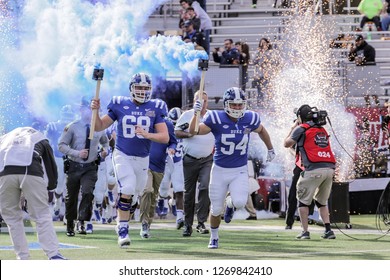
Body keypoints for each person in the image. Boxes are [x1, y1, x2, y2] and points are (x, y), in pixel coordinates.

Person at [189, 87, 275, 249]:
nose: (237, 108)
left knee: (240, 202)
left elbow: (262, 130)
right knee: (215, 210)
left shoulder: (249, 118)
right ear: (226, 104)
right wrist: (195, 114)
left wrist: (270, 148)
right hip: (220, 170)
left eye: (239, 105)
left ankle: (230, 204)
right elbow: (193, 131)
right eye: (233, 105)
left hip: (239, 169)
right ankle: (214, 237)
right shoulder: (216, 117)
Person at [90, 72, 169, 248]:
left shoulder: (156, 106)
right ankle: (123, 230)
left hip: (142, 159)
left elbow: (164, 137)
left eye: (146, 88)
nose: (142, 91)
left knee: (136, 194)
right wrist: (95, 111)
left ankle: (121, 220)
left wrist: (147, 134)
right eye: (139, 87)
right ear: (131, 88)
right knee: (127, 187)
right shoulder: (119, 104)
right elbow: (99, 126)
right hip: (122, 154)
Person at [0, 127, 66, 260]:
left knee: (12, 219)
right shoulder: (40, 137)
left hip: (4, 173)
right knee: (41, 215)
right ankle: (53, 254)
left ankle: (22, 257)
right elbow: (50, 166)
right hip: (31, 171)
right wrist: (51, 188)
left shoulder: (5, 138)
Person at [58, 96, 109, 237]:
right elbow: (61, 145)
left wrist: (105, 150)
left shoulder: (99, 128)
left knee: (88, 193)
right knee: (71, 196)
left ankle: (82, 221)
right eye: (88, 108)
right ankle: (70, 224)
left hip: (90, 166)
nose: (91, 111)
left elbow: (105, 142)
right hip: (74, 165)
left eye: (94, 109)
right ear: (81, 110)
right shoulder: (72, 127)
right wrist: (76, 153)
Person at [284, 104, 336, 239]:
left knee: (302, 201)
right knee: (321, 201)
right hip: (329, 169)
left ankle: (305, 231)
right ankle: (328, 230)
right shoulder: (322, 129)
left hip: (312, 169)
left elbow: (286, 143)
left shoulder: (301, 128)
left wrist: (293, 127)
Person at [175, 91, 214, 237]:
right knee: (189, 193)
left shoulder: (211, 115)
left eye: (205, 100)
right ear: (194, 101)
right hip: (190, 158)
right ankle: (187, 224)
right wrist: (188, 134)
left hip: (207, 158)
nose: (203, 103)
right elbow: (177, 131)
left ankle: (201, 221)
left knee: (205, 187)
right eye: (200, 100)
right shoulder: (187, 115)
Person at [139, 106, 177, 239]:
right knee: (147, 190)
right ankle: (143, 222)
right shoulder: (143, 122)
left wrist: (172, 149)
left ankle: (147, 223)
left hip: (159, 166)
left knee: (154, 196)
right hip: (145, 163)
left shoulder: (167, 125)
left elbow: (173, 142)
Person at [45, 104, 74, 220]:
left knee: (70, 186)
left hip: (72, 158)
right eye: (66, 115)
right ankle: (57, 201)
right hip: (58, 157)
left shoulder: (75, 126)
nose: (67, 118)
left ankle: (67, 213)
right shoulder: (53, 126)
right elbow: (46, 141)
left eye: (69, 116)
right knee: (59, 187)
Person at [158, 107, 185, 228]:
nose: (175, 126)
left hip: (178, 162)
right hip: (165, 162)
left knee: (179, 189)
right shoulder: (165, 127)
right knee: (163, 190)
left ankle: (180, 217)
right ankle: (166, 200)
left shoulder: (186, 128)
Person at [252, 38, 274, 104]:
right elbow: (254, 61)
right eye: (261, 43)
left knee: (268, 90)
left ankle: (269, 104)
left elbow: (273, 62)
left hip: (268, 74)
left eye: (264, 42)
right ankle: (260, 104)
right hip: (260, 74)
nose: (263, 44)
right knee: (260, 91)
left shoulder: (271, 52)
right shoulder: (258, 52)